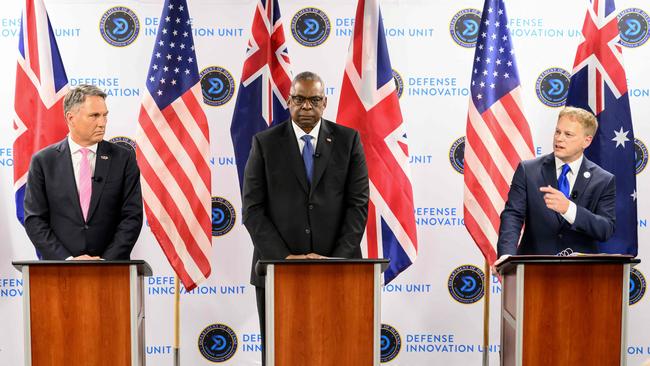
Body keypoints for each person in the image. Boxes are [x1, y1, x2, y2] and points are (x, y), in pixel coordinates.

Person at [242, 71, 369, 363]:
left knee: (339, 352)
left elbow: (358, 205)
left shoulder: (348, 141)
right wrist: (283, 260)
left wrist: (336, 260)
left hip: (339, 270)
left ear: (325, 102)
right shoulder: (265, 143)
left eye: (314, 100)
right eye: (299, 99)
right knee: (282, 353)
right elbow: (252, 209)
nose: (306, 107)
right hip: (277, 271)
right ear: (289, 101)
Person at [24, 84, 143, 260]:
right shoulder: (43, 161)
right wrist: (67, 260)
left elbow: (132, 217)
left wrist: (105, 262)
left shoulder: (123, 159)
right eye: (94, 115)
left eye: (104, 115)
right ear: (71, 118)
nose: (102, 123)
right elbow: (35, 220)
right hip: (59, 272)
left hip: (112, 272)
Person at [496, 106, 616, 260]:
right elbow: (513, 215)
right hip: (533, 268)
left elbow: (605, 229)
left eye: (568, 134)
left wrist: (569, 209)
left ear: (587, 141)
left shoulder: (603, 180)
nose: (559, 138)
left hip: (581, 272)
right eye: (557, 132)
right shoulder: (529, 170)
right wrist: (507, 256)